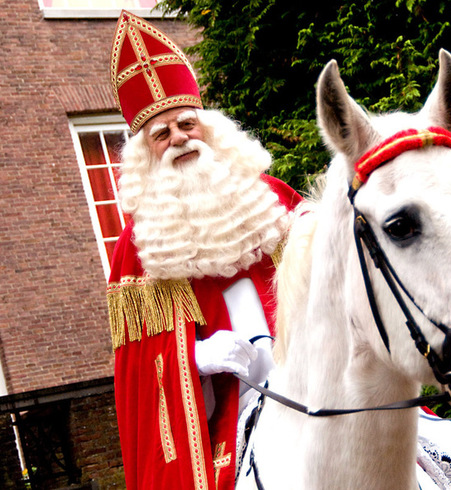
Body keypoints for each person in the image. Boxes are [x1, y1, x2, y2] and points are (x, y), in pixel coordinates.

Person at [106, 11, 301, 489]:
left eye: (186, 124)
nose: (179, 139)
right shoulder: (139, 243)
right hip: (235, 407)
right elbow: (139, 369)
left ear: (207, 128)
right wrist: (196, 358)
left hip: (313, 368)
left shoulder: (273, 196)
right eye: (162, 134)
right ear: (147, 151)